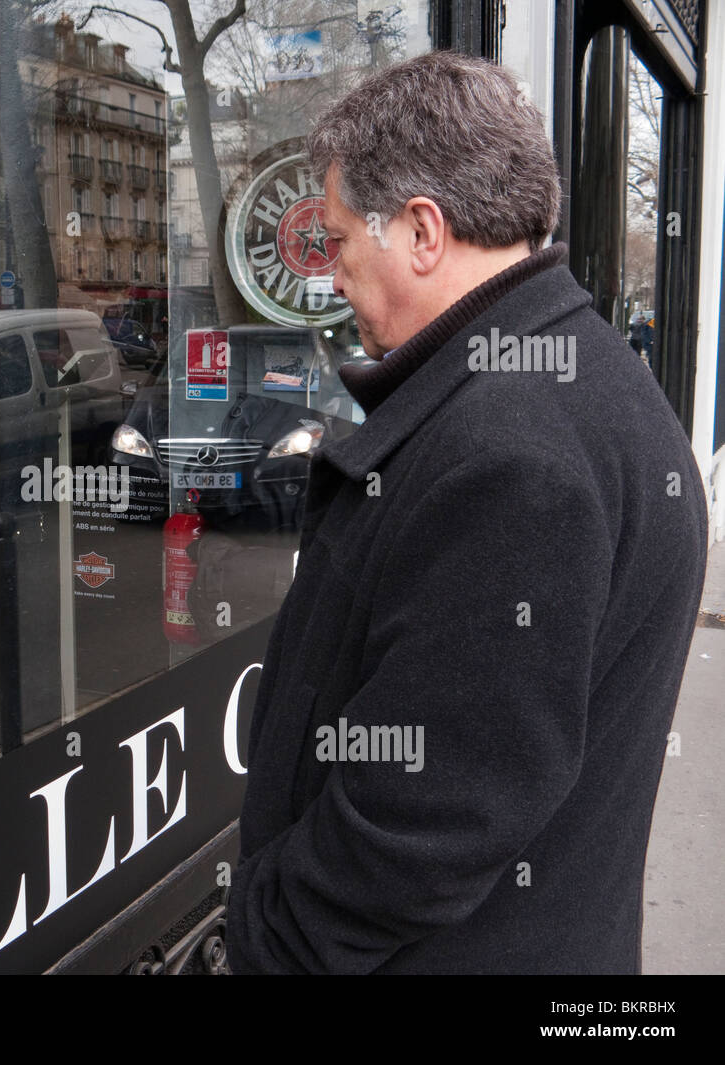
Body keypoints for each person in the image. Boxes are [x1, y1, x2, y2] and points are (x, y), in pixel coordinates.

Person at [225, 52, 707, 974]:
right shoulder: (593, 374)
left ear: (421, 231)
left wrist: (269, 937)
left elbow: (427, 821)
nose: (329, 275)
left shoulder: (508, 454)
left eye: (335, 240)